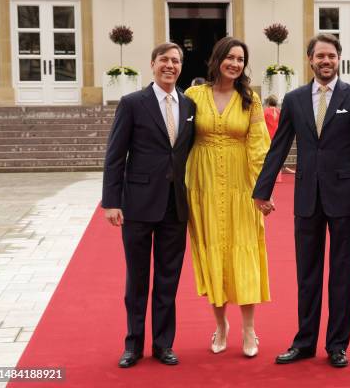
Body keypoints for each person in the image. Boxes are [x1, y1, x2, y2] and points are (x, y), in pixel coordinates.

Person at [253, 33, 350, 368]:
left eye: (331, 56)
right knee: (307, 276)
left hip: (346, 198)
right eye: (319, 56)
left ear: (339, 59)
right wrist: (262, 190)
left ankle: (337, 344)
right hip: (307, 199)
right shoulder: (294, 99)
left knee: (342, 276)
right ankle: (304, 342)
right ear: (310, 59)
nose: (326, 61)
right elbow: (278, 147)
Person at [102, 42, 196, 368]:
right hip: (138, 204)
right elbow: (115, 156)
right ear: (153, 63)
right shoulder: (132, 104)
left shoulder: (189, 104)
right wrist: (112, 201)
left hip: (176, 206)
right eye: (164, 60)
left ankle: (163, 344)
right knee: (138, 279)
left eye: (175, 61)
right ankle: (133, 345)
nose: (170, 66)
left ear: (181, 66)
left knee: (168, 280)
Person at [184, 36, 271, 358]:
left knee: (244, 253)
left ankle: (249, 329)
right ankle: (221, 325)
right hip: (203, 186)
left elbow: (260, 146)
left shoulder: (251, 100)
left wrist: (262, 191)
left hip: (240, 187)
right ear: (218, 58)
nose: (235, 63)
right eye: (230, 57)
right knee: (213, 254)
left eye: (240, 59)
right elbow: (178, 139)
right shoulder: (193, 95)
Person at [263, 95, 284, 182]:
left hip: (267, 136)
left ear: (268, 102)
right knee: (277, 157)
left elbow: (262, 124)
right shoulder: (279, 112)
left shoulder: (265, 111)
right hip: (277, 137)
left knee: (267, 157)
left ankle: (267, 176)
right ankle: (278, 177)